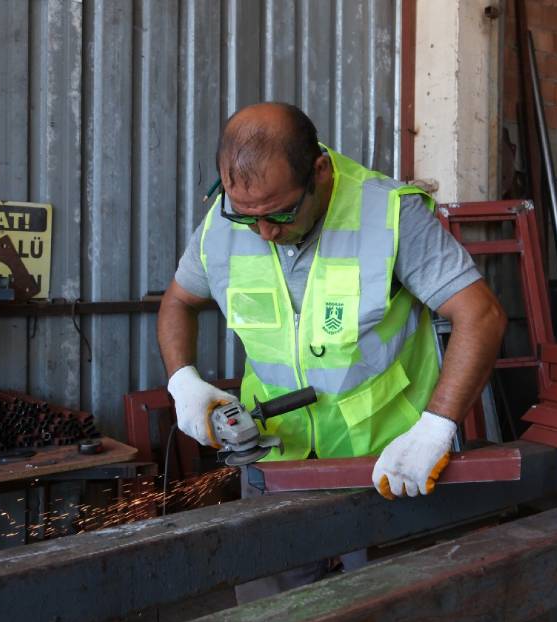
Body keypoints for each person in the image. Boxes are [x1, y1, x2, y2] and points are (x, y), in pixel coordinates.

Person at [158, 101, 506, 502]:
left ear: (319, 172)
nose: (265, 232)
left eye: (281, 214)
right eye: (246, 216)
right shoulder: (221, 226)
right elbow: (178, 302)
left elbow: (481, 315)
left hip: (385, 465)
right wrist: (183, 381)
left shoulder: (389, 214)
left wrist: (435, 428)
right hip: (273, 462)